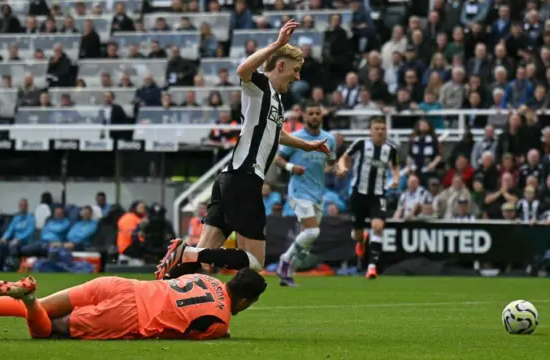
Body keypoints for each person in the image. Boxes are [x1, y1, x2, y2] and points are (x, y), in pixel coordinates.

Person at [154, 20, 330, 280]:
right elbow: (242, 69)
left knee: (203, 258)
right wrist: (278, 44)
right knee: (255, 263)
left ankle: (163, 287)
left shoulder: (276, 101)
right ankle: (186, 251)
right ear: (281, 65)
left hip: (229, 179)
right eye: (296, 70)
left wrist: (307, 144)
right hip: (244, 180)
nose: (298, 77)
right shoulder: (258, 86)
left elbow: (276, 134)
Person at [0, 268, 267, 340]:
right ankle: (27, 299)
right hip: (130, 315)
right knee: (47, 329)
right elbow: (195, 333)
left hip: (120, 284)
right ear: (247, 301)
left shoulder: (207, 277)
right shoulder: (220, 320)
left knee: (47, 304)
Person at [273, 103, 336, 286]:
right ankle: (284, 261)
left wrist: (337, 169)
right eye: (311, 113)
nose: (315, 116)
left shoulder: (329, 139)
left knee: (308, 242)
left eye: (318, 113)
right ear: (305, 117)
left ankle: (287, 274)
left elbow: (330, 163)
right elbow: (278, 159)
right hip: (299, 191)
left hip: (318, 193)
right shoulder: (296, 138)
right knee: (312, 231)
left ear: (322, 116)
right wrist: (292, 167)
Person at [337, 117, 399, 279]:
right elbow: (344, 157)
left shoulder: (391, 149)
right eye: (376, 128)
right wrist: (343, 168)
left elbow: (395, 166)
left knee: (378, 226)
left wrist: (396, 178)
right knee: (357, 234)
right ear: (370, 131)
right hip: (358, 194)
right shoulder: (361, 144)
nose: (379, 132)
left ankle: (372, 267)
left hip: (378, 194)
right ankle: (361, 240)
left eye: (382, 129)